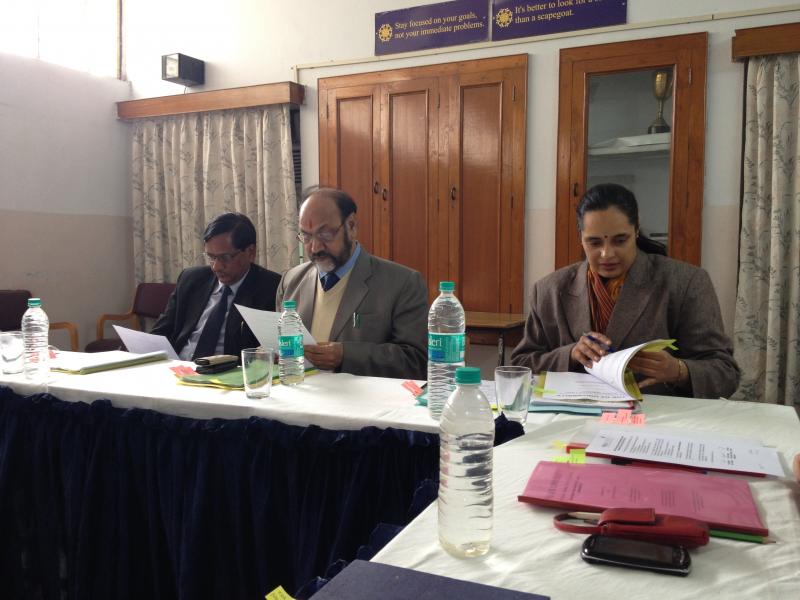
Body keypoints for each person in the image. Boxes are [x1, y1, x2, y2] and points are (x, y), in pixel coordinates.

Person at [511, 183, 740, 399]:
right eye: (594, 243)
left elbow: (725, 374)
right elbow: (521, 365)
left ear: (636, 229)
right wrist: (570, 354)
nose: (607, 254)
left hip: (656, 418)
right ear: (580, 237)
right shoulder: (549, 290)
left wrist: (678, 370)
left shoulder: (684, 282)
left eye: (620, 240)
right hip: (572, 417)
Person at [276, 186, 428, 379]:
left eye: (325, 235)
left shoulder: (402, 283)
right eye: (306, 236)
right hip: (299, 394)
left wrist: (345, 356)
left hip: (367, 398)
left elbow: (416, 361)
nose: (314, 247)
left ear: (352, 226)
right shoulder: (291, 281)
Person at [151, 212, 281, 361]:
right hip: (180, 367)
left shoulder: (273, 288)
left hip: (230, 372)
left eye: (225, 257)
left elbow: (271, 349)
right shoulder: (191, 279)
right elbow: (161, 332)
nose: (216, 267)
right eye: (211, 257)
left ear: (250, 252)